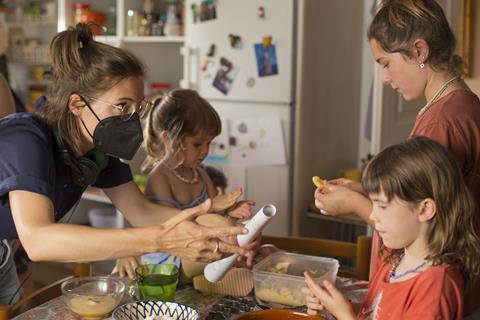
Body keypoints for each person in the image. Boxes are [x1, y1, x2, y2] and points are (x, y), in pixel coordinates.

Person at [0, 24, 250, 304]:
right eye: (122, 106)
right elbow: (39, 240)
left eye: (137, 107)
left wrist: (210, 223)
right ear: (77, 104)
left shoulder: (97, 151)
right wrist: (161, 240)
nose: (132, 119)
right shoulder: (25, 141)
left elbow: (142, 210)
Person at [314, 0, 480, 315]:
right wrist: (364, 191)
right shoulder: (463, 104)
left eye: (386, 63)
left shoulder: (440, 123)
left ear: (419, 51)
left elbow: (424, 219)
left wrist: (355, 205)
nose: (385, 79)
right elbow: (419, 193)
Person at [304, 137, 480, 319]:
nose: (372, 215)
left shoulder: (436, 285)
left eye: (382, 206)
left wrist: (345, 316)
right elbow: (377, 312)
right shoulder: (395, 258)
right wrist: (336, 307)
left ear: (425, 209)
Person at [113, 89, 255, 280]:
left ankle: (233, 270)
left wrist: (231, 210)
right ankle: (232, 269)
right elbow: (170, 229)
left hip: (198, 250)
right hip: (168, 260)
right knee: (229, 233)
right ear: (168, 138)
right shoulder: (160, 177)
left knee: (248, 228)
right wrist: (217, 215)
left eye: (209, 143)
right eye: (197, 144)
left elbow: (216, 216)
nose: (205, 151)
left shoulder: (201, 174)